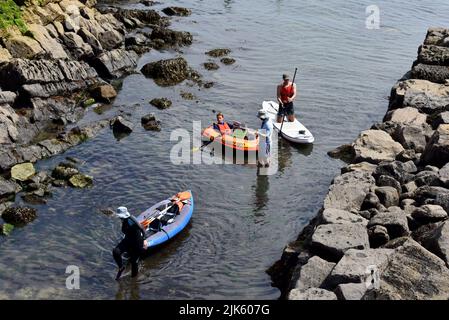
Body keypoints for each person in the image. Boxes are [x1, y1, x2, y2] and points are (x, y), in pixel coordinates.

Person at [113, 207, 146, 280]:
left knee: (134, 262)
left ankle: (134, 282)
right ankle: (121, 267)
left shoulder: (131, 219)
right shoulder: (123, 219)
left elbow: (142, 228)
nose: (120, 218)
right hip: (127, 240)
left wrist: (144, 240)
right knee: (116, 252)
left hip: (137, 242)